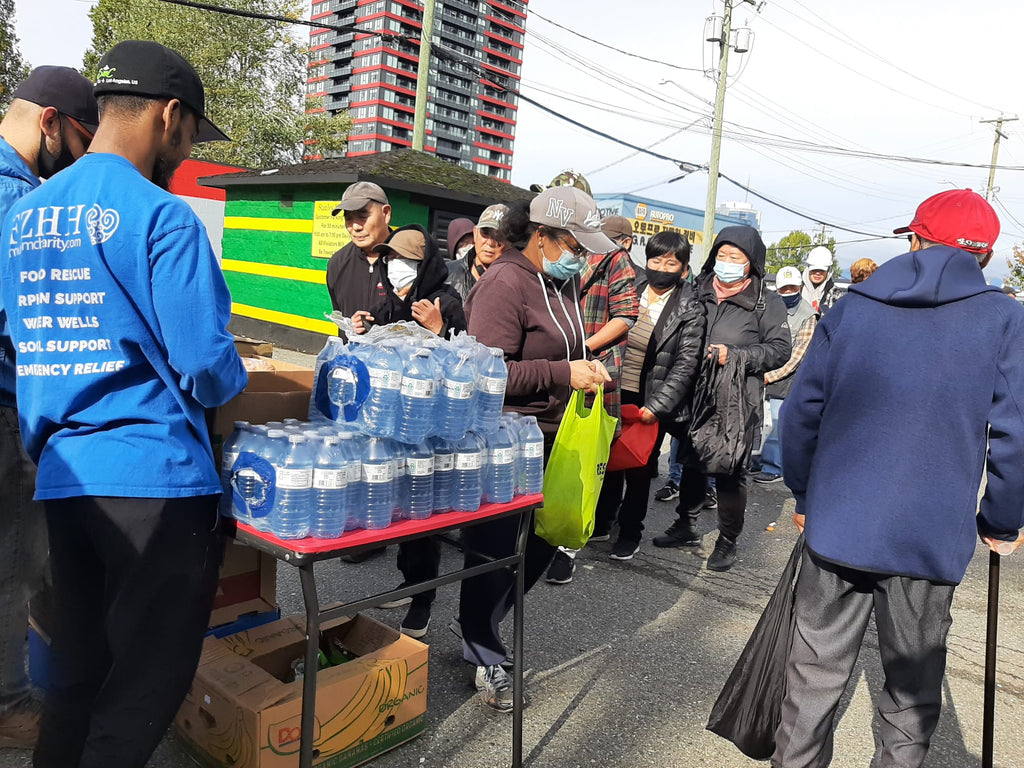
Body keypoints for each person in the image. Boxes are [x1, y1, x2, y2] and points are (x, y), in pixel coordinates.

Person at [0, 41, 247, 768]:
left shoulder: (23, 217)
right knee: (140, 690)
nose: (185, 149)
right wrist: (236, 391)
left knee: (76, 672)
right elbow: (205, 364)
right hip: (155, 481)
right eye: (192, 134)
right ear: (171, 116)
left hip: (63, 473)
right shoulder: (163, 219)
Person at [773, 189, 1024, 768]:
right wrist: (1002, 520)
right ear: (984, 256)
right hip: (928, 536)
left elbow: (800, 413)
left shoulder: (853, 306)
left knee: (812, 679)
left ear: (915, 239)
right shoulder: (1004, 318)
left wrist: (806, 494)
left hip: (839, 524)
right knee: (909, 695)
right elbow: (1014, 435)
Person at [457, 187, 612, 711]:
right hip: (507, 443)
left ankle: (485, 632)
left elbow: (565, 350)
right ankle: (482, 652)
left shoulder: (555, 282)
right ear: (541, 235)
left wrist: (585, 371)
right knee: (496, 553)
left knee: (542, 543)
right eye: (574, 242)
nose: (581, 255)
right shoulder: (505, 282)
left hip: (553, 435)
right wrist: (561, 372)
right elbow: (485, 373)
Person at [0, 65, 97, 752]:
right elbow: (29, 317)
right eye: (81, 139)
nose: (82, 157)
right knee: (15, 562)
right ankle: (9, 706)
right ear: (48, 122)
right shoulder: (17, 200)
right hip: (8, 405)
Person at [350, 225, 467, 641]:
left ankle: (423, 598)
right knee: (397, 509)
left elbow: (465, 365)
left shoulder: (446, 302)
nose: (396, 268)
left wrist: (440, 330)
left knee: (423, 515)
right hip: (390, 427)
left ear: (426, 265)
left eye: (407, 261)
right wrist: (359, 333)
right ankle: (408, 581)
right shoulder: (384, 301)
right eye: (390, 259)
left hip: (430, 432)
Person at [652, 226, 790, 572]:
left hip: (735, 399)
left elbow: (779, 350)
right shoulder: (697, 289)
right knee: (692, 460)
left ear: (752, 263)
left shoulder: (765, 302)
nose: (726, 263)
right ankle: (686, 524)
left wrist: (737, 355)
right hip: (694, 393)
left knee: (729, 470)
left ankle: (728, 539)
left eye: (735, 258)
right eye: (721, 256)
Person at [593, 231, 705, 560]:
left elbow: (686, 364)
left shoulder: (690, 306)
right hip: (615, 389)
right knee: (609, 460)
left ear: (684, 268)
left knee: (639, 467)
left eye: (671, 262)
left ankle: (630, 532)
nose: (662, 267)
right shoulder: (633, 289)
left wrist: (656, 407)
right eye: (656, 259)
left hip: (651, 400)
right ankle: (603, 520)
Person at [545, 212, 639, 583]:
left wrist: (581, 347)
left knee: (584, 460)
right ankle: (539, 533)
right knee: (553, 453)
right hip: (554, 367)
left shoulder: (614, 258)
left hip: (594, 368)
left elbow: (626, 314)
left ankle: (567, 547)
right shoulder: (551, 251)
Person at [753, 266, 817, 484]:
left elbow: (796, 356)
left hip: (785, 378)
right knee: (757, 422)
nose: (788, 292)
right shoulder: (769, 306)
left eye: (792, 287)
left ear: (800, 287)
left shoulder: (808, 315)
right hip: (761, 370)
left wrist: (770, 376)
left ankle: (774, 467)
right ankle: (754, 462)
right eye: (784, 288)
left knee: (778, 424)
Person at [325, 181, 393, 316]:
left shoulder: (411, 259)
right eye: (349, 218)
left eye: (363, 217)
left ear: (386, 214)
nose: (355, 227)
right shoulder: (337, 263)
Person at [445, 204, 509, 301]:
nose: (490, 242)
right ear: (475, 233)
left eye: (499, 236)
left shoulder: (518, 285)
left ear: (511, 242)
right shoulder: (445, 273)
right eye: (485, 233)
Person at [801, 245, 844, 314]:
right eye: (814, 269)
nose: (817, 273)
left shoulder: (836, 295)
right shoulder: (796, 288)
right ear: (808, 268)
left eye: (822, 270)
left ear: (828, 271)